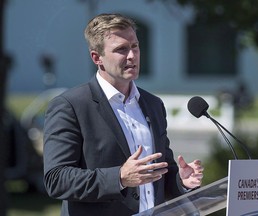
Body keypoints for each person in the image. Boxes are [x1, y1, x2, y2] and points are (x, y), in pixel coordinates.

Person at [43, 13, 204, 216]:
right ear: (97, 58)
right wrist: (119, 177)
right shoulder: (70, 106)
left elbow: (161, 172)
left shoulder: (153, 104)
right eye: (121, 49)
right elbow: (56, 179)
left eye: (135, 46)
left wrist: (181, 180)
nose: (131, 56)